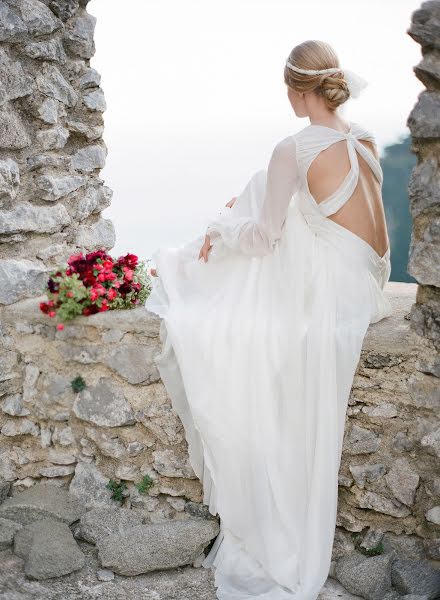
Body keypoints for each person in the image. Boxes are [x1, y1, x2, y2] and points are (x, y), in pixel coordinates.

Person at [145, 39, 392, 600]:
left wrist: (220, 227)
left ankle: (187, 260)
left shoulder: (295, 146)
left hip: (334, 288)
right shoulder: (364, 137)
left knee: (240, 240)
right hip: (367, 278)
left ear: (295, 88)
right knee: (260, 191)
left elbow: (265, 239)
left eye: (286, 87)